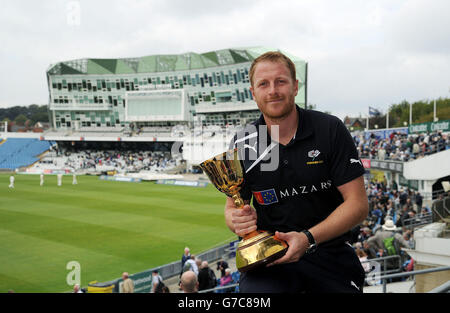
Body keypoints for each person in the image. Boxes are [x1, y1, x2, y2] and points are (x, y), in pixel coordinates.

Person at [226, 51, 369, 293]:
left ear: (295, 87)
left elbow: (358, 204)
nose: (273, 90)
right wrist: (235, 220)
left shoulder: (330, 129)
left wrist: (307, 238)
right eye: (264, 84)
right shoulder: (242, 142)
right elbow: (232, 208)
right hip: (269, 260)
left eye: (280, 81)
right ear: (253, 93)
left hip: (328, 252)